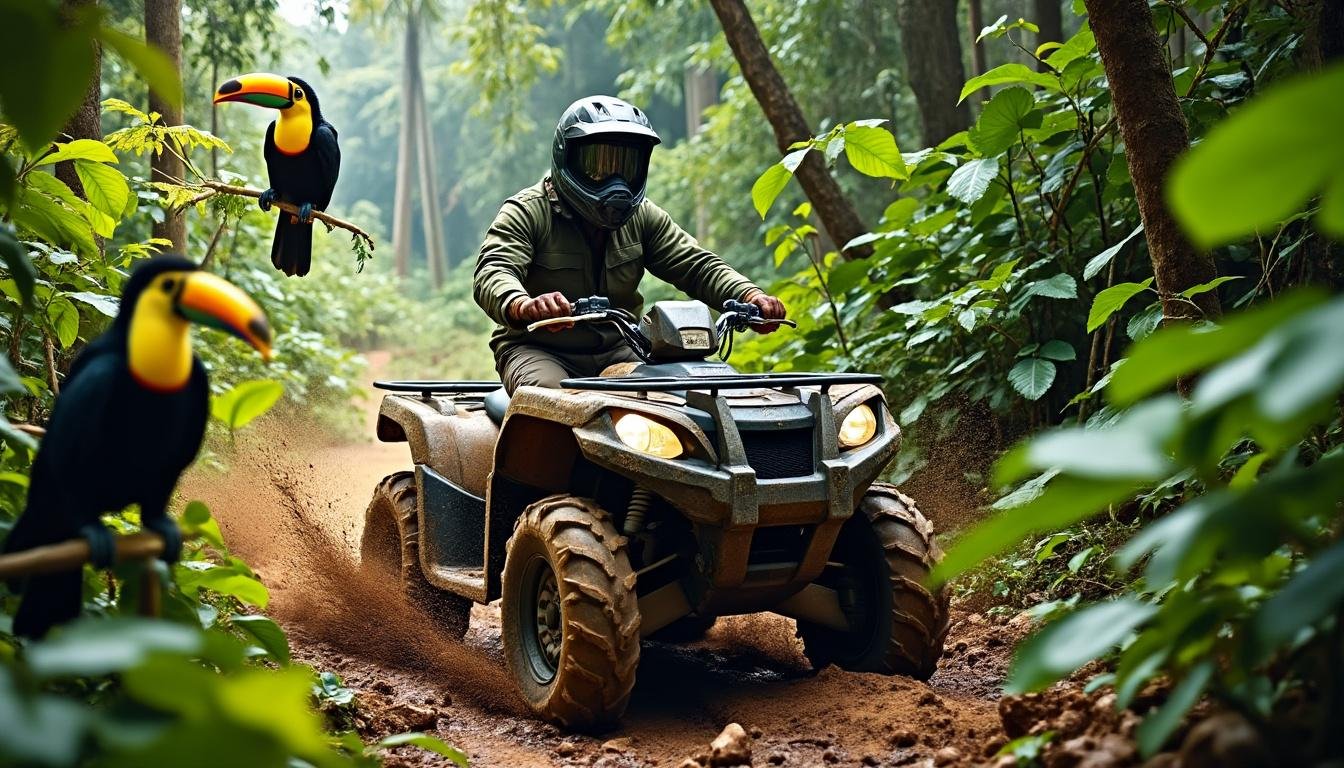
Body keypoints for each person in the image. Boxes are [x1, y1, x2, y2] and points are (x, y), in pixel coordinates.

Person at [474, 95, 787, 394]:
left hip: (621, 347)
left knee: (682, 396)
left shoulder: (642, 216)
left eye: (627, 166)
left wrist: (750, 296)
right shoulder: (528, 211)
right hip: (538, 349)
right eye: (599, 167)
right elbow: (494, 271)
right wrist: (522, 305)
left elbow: (697, 266)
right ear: (566, 157)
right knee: (555, 404)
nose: (617, 182)